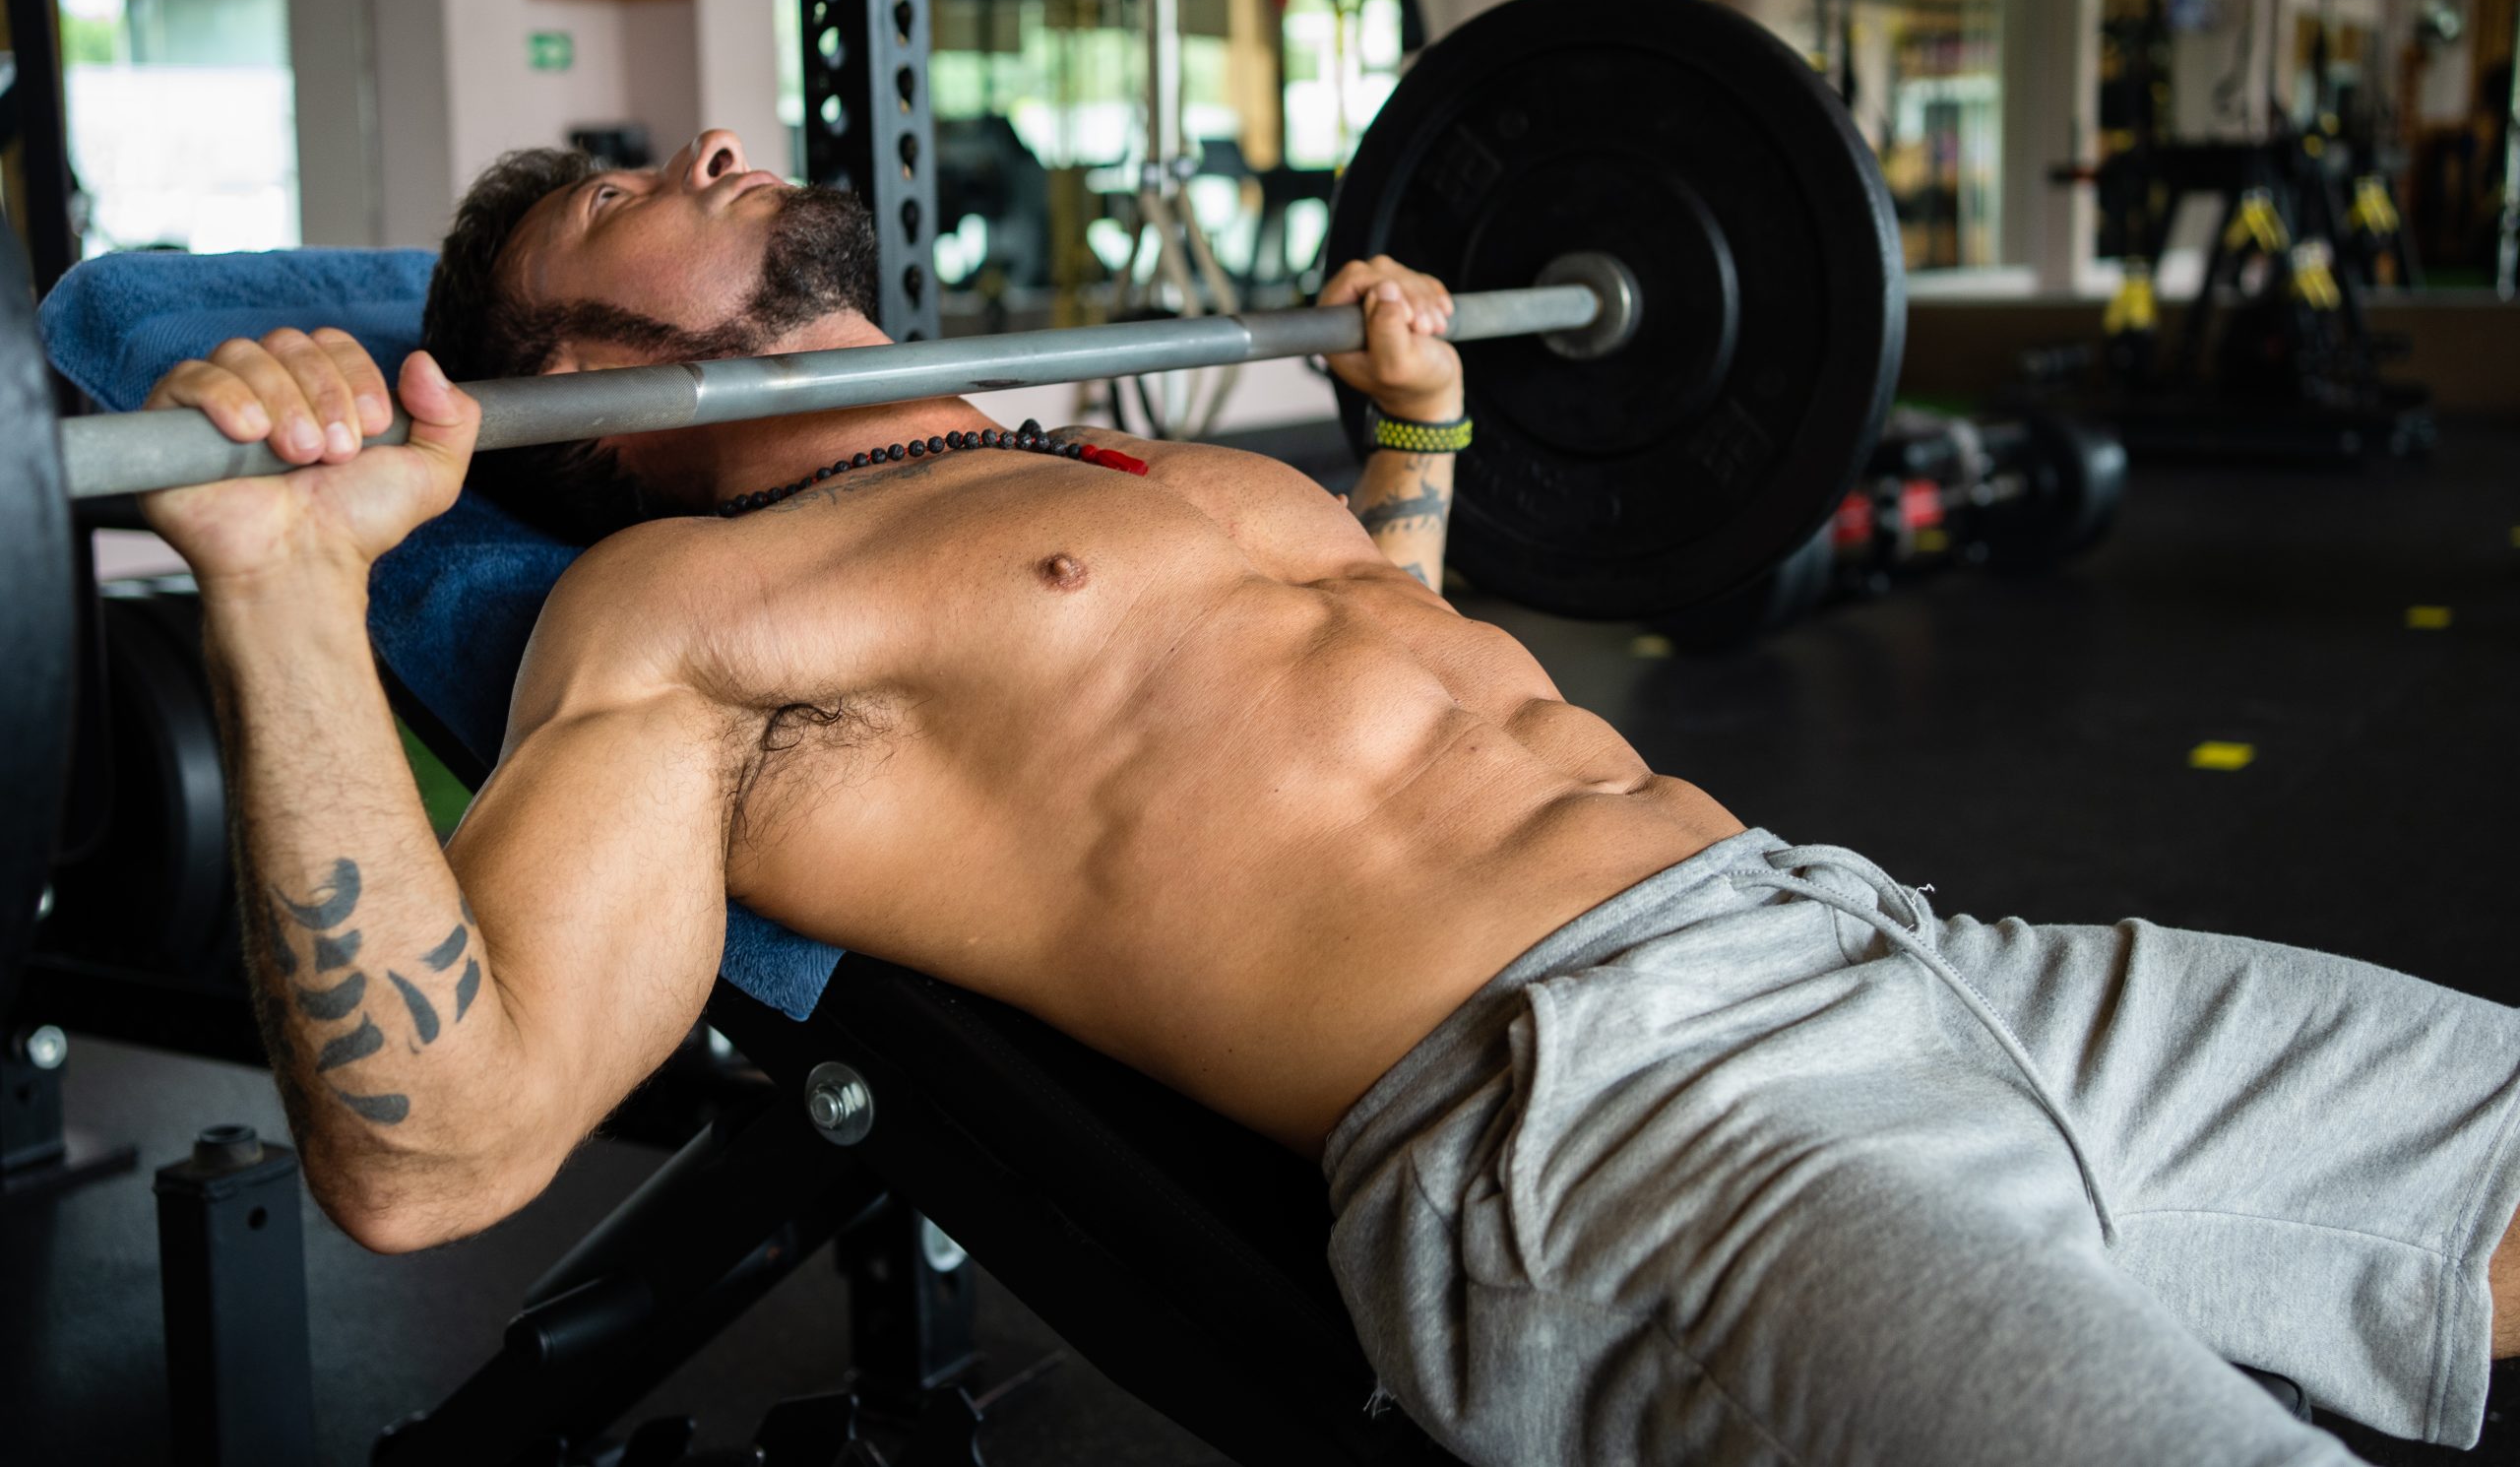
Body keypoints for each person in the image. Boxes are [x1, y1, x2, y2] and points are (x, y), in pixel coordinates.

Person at [141, 130, 2518, 1467]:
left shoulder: (1098, 444)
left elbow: (1333, 707)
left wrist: (1416, 444)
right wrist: (284, 585)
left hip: (1877, 940)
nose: (715, 144)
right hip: (1622, 1122)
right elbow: (436, 1149)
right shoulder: (682, 603)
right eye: (623, 188)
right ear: (567, 375)